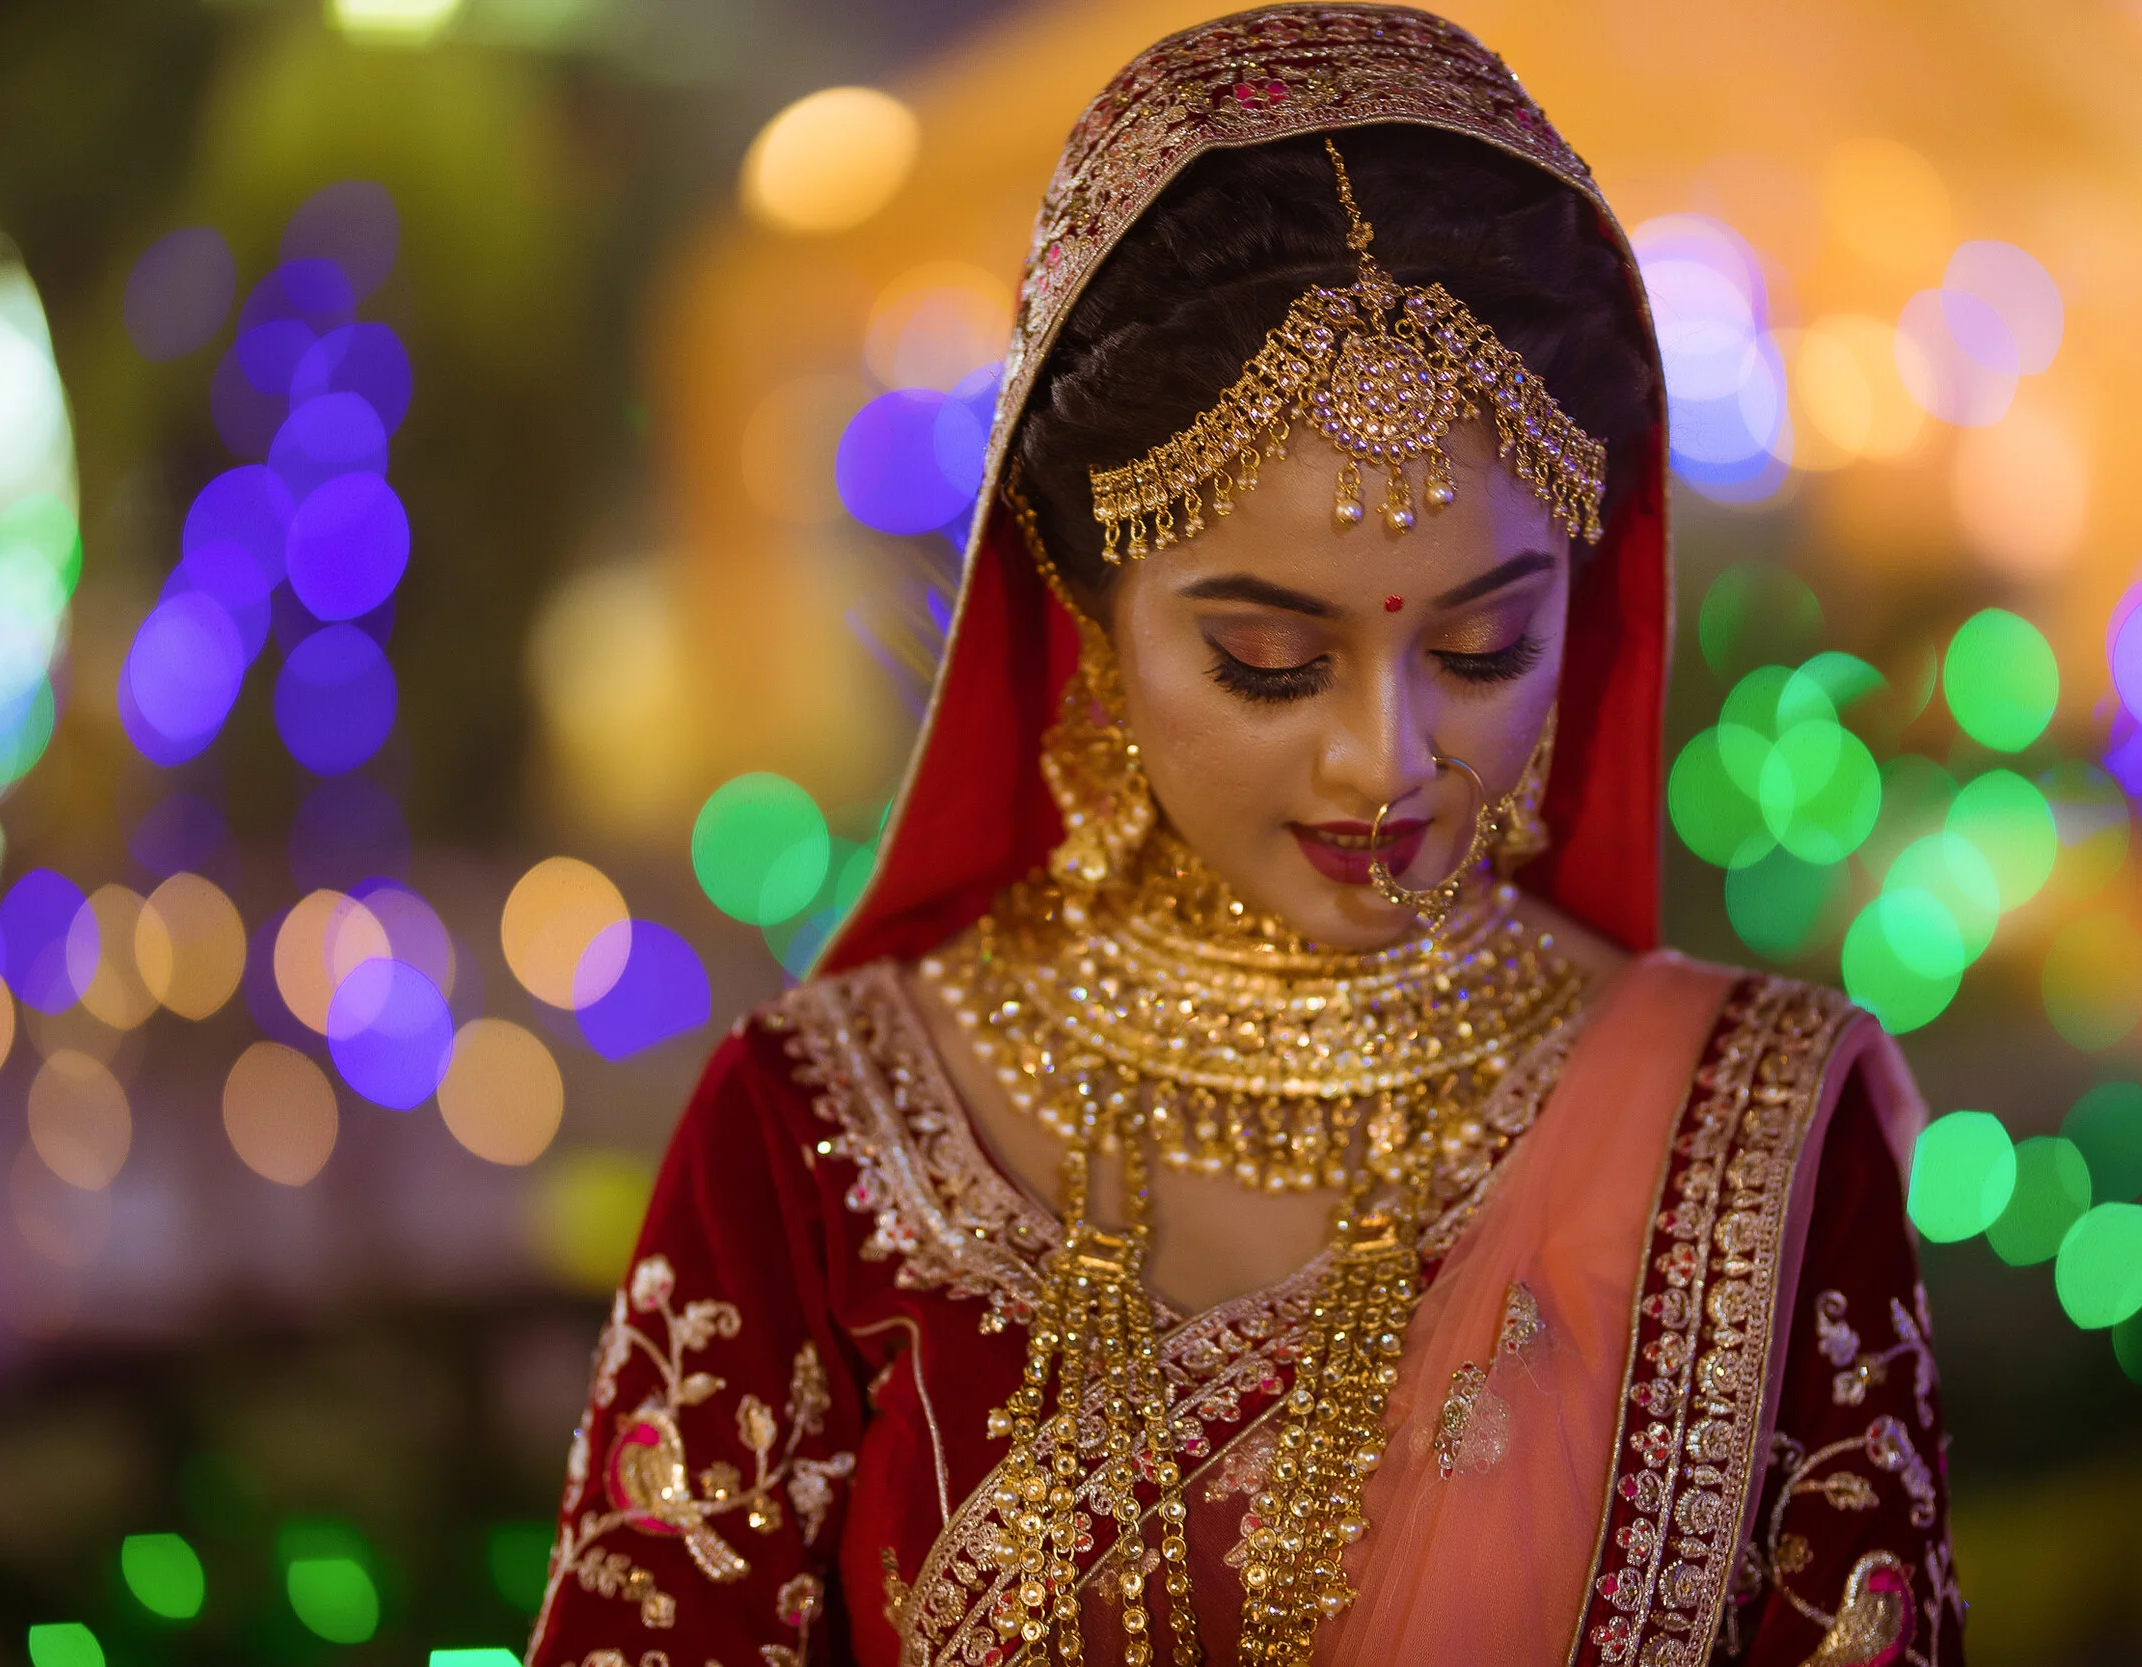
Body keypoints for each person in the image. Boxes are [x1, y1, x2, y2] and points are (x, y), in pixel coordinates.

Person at [525, 8, 1963, 1665]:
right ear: (1084, 608)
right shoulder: (819, 1141)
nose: (1390, 758)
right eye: (1269, 662)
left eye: (1485, 647)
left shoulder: (1751, 1137)